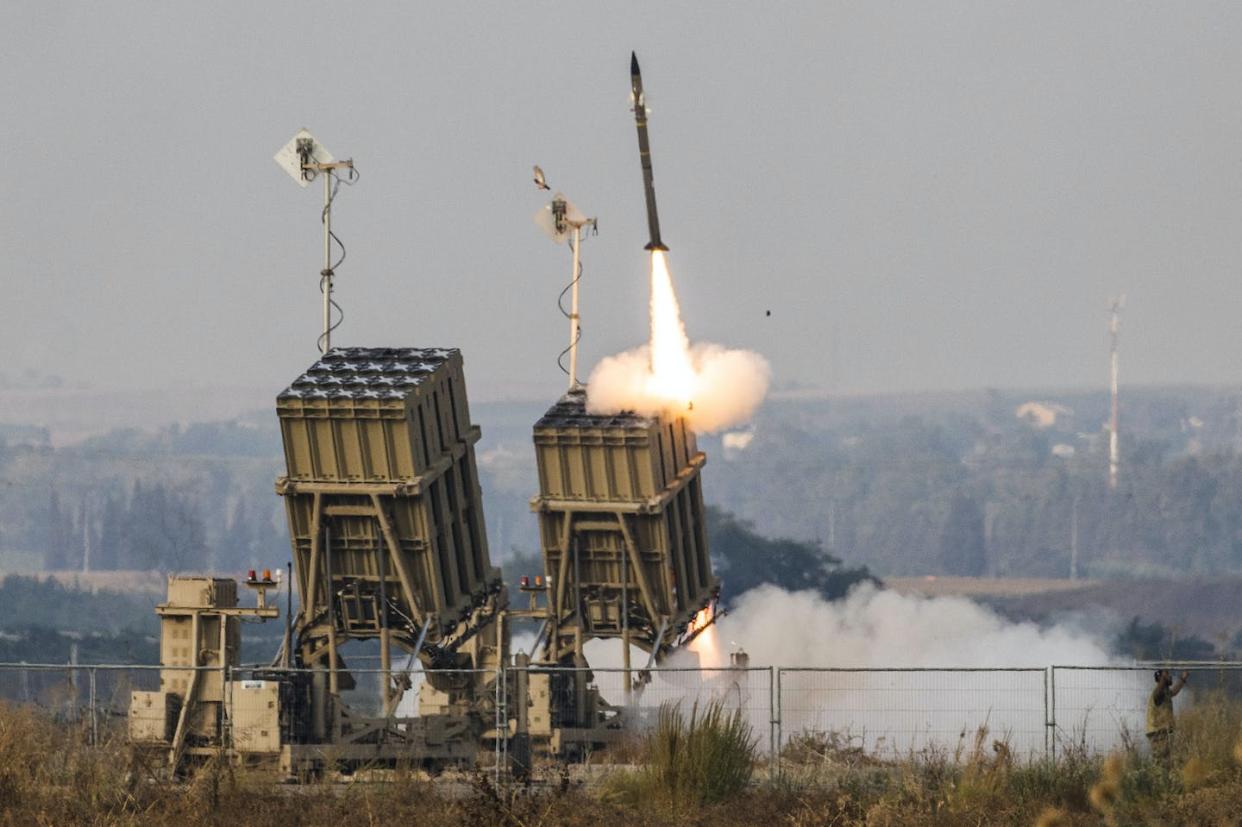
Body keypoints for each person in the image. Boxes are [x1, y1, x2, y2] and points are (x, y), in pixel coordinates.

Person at [1146, 668, 1189, 763]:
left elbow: (1175, 691)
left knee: (1166, 759)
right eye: (1167, 675)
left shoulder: (1166, 692)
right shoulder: (1158, 693)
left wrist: (1183, 678)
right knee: (1161, 760)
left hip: (1163, 731)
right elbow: (1159, 690)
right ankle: (1158, 776)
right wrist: (1163, 678)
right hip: (1157, 732)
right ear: (1162, 678)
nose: (1170, 677)